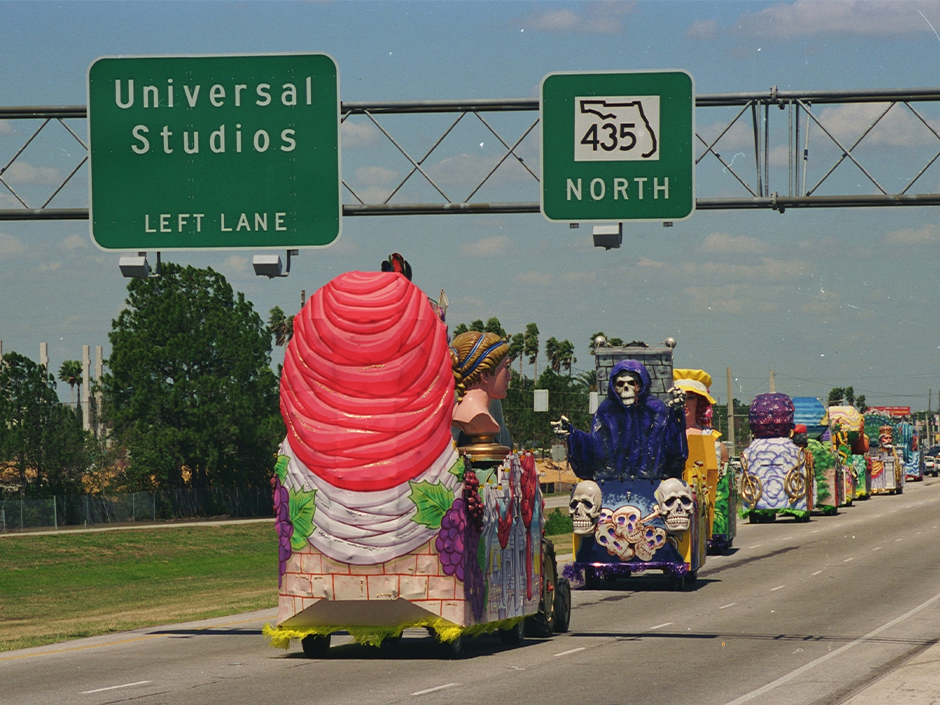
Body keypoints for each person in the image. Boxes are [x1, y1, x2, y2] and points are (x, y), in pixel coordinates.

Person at [552, 359, 687, 481]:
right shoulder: (605, 412)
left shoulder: (656, 410)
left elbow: (673, 447)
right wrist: (573, 435)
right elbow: (595, 445)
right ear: (613, 387)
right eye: (621, 384)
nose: (626, 388)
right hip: (613, 486)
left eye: (632, 383)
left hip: (651, 484)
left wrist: (677, 412)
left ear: (642, 384)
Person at [450, 331, 511, 442]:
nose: (509, 377)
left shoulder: (456, 412)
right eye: (506, 367)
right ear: (485, 375)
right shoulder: (479, 418)